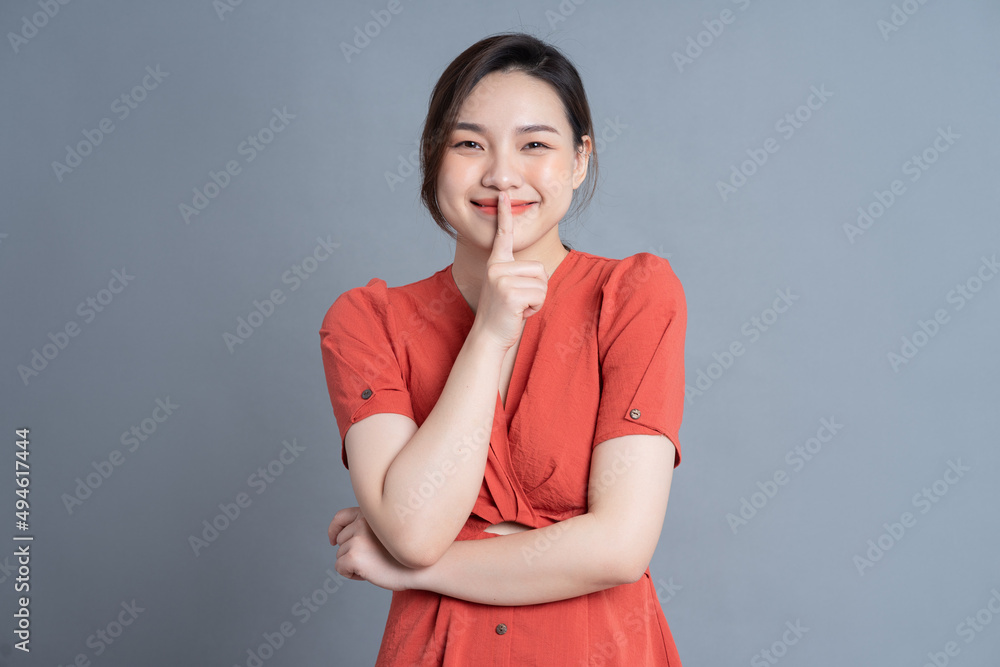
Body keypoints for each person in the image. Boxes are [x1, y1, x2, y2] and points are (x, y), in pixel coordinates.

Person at [320, 32, 687, 666]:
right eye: (468, 144)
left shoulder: (633, 296)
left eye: (535, 145)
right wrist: (490, 332)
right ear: (433, 159)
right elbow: (414, 528)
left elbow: (620, 549)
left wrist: (412, 570)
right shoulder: (368, 321)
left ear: (578, 160)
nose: (500, 174)